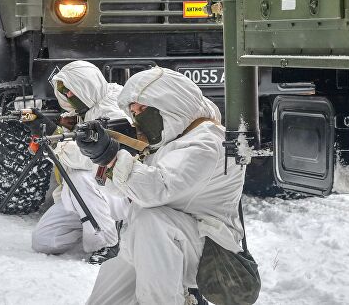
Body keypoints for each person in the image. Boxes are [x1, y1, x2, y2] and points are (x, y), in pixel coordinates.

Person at [76, 67, 246, 304]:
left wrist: (112, 156)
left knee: (151, 222)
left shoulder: (207, 143)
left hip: (206, 248)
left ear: (169, 102)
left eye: (143, 109)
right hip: (158, 245)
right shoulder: (176, 138)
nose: (137, 118)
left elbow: (156, 190)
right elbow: (122, 191)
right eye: (133, 112)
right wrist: (103, 157)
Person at [29, 61, 130, 264]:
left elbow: (88, 159)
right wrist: (57, 133)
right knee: (44, 240)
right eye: (64, 93)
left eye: (70, 92)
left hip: (118, 190)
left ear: (86, 87)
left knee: (79, 178)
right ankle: (96, 223)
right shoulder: (86, 107)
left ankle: (107, 243)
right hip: (88, 196)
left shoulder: (112, 111)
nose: (67, 97)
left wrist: (55, 135)